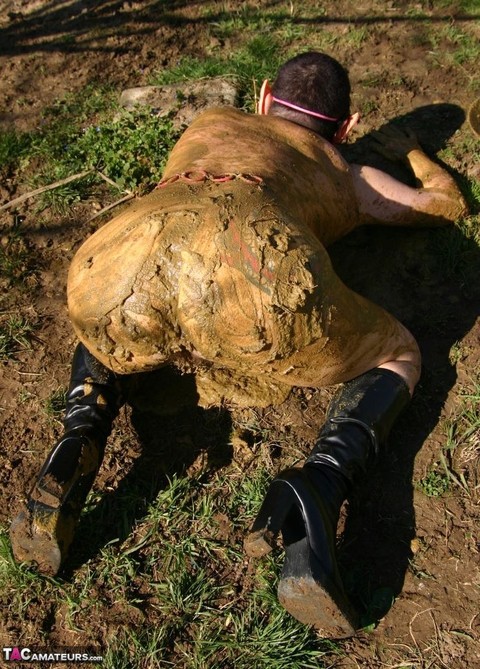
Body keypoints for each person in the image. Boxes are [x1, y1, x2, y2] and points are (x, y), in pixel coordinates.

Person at [10, 52, 467, 637]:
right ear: (347, 128)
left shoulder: (210, 124)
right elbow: (444, 205)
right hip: (251, 265)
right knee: (399, 351)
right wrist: (411, 151)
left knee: (113, 307)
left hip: (124, 247)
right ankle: (321, 483)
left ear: (262, 97)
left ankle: (78, 436)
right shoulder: (343, 172)